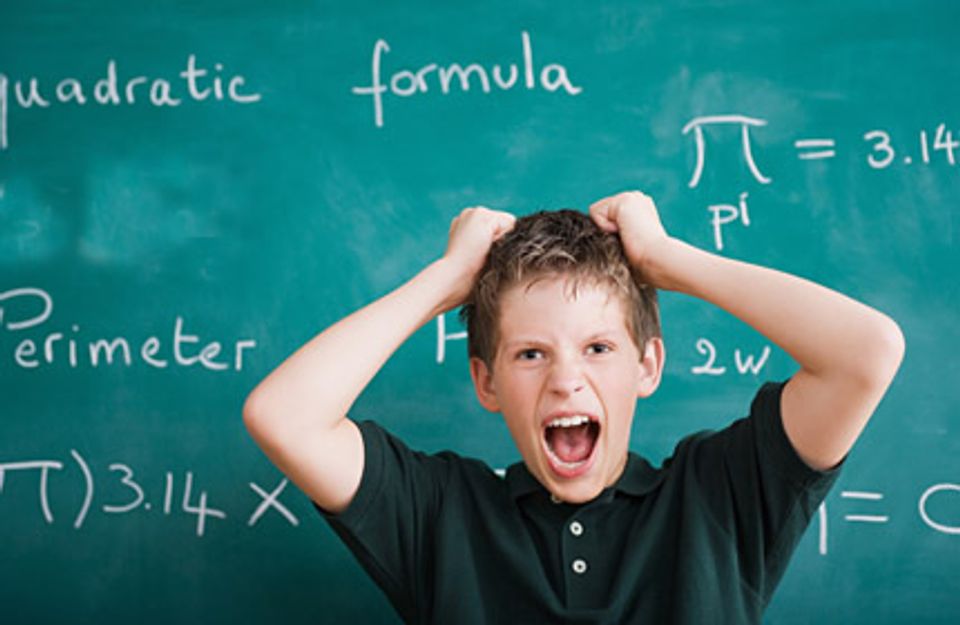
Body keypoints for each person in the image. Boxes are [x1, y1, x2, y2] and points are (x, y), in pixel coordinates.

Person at [243, 190, 905, 624]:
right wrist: (445, 280)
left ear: (647, 364)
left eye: (597, 347)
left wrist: (666, 260)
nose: (566, 380)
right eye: (531, 354)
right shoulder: (444, 513)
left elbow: (868, 352)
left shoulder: (719, 495)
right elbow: (283, 416)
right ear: (487, 382)